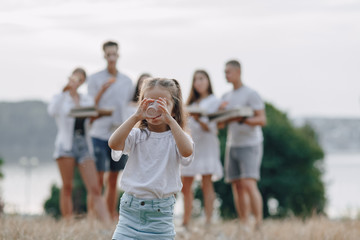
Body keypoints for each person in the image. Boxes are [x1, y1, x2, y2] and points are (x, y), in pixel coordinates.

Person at [108, 77, 194, 239]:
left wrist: (170, 119)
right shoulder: (136, 135)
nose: (155, 107)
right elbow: (113, 143)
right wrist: (135, 117)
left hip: (160, 218)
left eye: (162, 103)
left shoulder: (176, 138)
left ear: (174, 109)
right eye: (149, 102)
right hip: (130, 214)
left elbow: (187, 151)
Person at [47, 68, 111, 224]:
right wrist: (65, 91)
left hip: (83, 143)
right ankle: (68, 223)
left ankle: (107, 224)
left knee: (95, 187)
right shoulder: (60, 97)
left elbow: (92, 115)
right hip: (66, 144)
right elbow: (52, 110)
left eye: (80, 79)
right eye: (75, 77)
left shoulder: (86, 99)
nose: (77, 81)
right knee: (67, 186)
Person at [87, 40, 134, 219]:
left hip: (119, 135)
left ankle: (110, 214)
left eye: (114, 54)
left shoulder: (127, 81)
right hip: (99, 133)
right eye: (108, 54)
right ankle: (93, 216)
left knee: (114, 178)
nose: (112, 57)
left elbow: (129, 106)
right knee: (98, 178)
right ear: (104, 56)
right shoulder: (95, 79)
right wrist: (102, 90)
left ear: (118, 55)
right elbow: (90, 106)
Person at [218, 60, 266, 229]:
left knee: (248, 183)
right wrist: (221, 114)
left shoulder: (251, 94)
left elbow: (262, 119)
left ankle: (258, 223)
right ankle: (244, 223)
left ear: (238, 72)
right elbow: (220, 125)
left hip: (250, 144)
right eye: (225, 72)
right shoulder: (225, 97)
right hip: (233, 144)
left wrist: (243, 119)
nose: (226, 75)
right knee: (236, 185)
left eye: (228, 72)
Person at [181, 70, 223, 228]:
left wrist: (199, 118)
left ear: (208, 81)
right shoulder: (190, 103)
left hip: (207, 144)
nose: (198, 82)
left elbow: (214, 127)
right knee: (186, 183)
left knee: (207, 182)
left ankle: (208, 221)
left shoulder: (215, 101)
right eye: (196, 79)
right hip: (192, 144)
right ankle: (186, 220)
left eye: (201, 79)